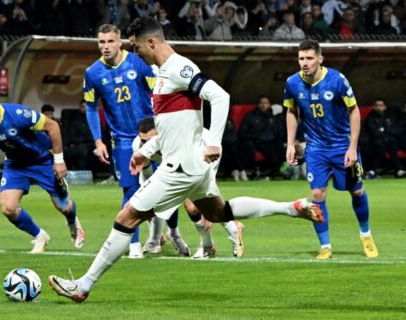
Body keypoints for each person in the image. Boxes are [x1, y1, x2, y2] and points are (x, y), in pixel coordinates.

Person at [48, 17, 323, 302]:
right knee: (219, 213)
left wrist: (214, 140)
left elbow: (219, 96)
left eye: (136, 46)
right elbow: (171, 125)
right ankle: (290, 208)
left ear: (151, 42)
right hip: (191, 165)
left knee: (126, 217)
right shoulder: (163, 71)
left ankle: (83, 286)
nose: (135, 52)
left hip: (180, 167)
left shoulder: (179, 67)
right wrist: (147, 150)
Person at [284, 39, 379, 260]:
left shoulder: (337, 80)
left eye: (309, 58)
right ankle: (325, 245)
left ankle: (366, 234)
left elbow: (354, 112)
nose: (304, 63)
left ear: (320, 58)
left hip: (342, 146)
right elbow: (291, 112)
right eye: (301, 58)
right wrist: (290, 143)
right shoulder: (292, 83)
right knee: (317, 194)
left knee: (356, 191)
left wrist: (352, 148)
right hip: (315, 149)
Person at [0, 87, 84, 253]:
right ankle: (40, 236)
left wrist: (59, 161)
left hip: (42, 160)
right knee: (8, 208)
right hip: (16, 164)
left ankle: (73, 223)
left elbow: (53, 126)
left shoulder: (18, 114)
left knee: (64, 206)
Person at [83, 24, 156, 258]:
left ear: (120, 42)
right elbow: (92, 109)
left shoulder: (139, 62)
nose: (105, 46)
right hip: (122, 139)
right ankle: (133, 245)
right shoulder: (93, 73)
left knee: (166, 186)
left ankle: (168, 234)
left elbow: (158, 93)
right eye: (101, 42)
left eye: (110, 41)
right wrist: (98, 140)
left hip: (151, 136)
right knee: (130, 189)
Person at [134, 117, 244, 259]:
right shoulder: (139, 147)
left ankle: (214, 241)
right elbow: (147, 176)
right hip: (176, 162)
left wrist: (206, 208)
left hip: (205, 151)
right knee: (194, 207)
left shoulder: (181, 140)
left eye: (151, 140)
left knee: (198, 207)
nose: (147, 145)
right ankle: (223, 235)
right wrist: (148, 203)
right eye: (143, 141)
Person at [364, 98, 405, 179]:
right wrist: (385, 132)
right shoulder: (370, 118)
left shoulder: (389, 117)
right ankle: (372, 171)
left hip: (389, 140)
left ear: (385, 107)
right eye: (376, 105)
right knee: (380, 145)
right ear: (374, 107)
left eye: (381, 105)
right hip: (375, 142)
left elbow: (394, 130)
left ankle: (399, 170)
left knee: (392, 143)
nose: (378, 107)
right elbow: (373, 133)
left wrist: (384, 131)